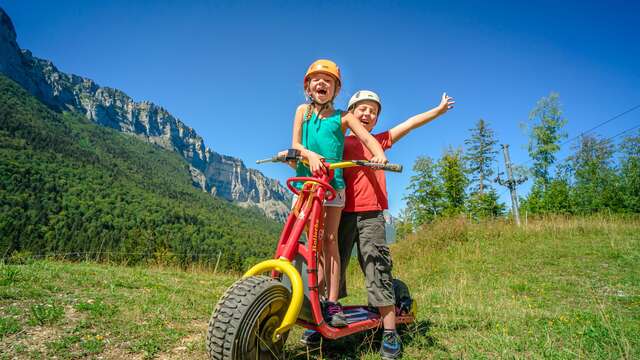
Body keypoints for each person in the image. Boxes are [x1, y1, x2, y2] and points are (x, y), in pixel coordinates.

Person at [337, 90, 454, 359]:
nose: (367, 114)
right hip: (340, 212)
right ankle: (324, 318)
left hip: (371, 214)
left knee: (376, 264)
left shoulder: (380, 141)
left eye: (373, 111)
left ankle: (389, 332)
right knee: (332, 264)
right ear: (351, 113)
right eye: (362, 109)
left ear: (376, 119)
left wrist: (437, 111)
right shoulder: (339, 142)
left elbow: (411, 123)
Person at [290, 60, 388, 328]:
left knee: (329, 240)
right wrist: (308, 154)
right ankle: (308, 294)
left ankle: (331, 301)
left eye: (328, 80)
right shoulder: (303, 112)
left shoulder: (344, 116)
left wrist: (379, 154)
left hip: (333, 187)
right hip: (305, 186)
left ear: (335, 89)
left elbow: (367, 138)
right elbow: (296, 144)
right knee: (308, 240)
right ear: (308, 87)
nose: (322, 83)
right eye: (316, 80)